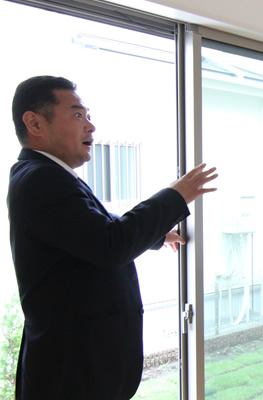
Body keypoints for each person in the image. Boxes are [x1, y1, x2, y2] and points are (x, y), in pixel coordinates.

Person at [8, 75, 218, 400]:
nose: (90, 126)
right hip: (71, 377)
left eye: (88, 116)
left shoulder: (46, 175)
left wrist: (156, 236)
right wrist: (176, 195)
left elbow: (91, 231)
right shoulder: (41, 179)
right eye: (77, 115)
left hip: (78, 372)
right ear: (34, 123)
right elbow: (110, 244)